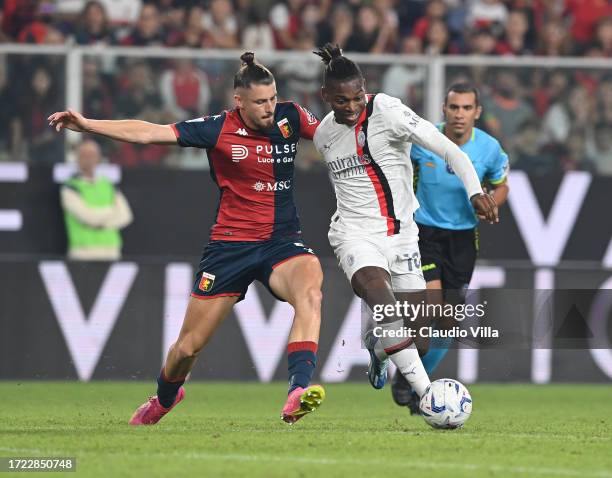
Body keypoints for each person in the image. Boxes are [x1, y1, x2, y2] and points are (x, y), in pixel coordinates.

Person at [48, 52, 325, 426]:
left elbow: (334, 135)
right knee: (187, 348)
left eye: (273, 98)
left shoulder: (292, 117)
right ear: (238, 101)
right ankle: (165, 397)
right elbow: (149, 131)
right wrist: (89, 125)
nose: (269, 108)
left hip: (281, 241)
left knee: (311, 290)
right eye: (260, 101)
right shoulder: (216, 128)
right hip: (230, 247)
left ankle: (297, 390)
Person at [312, 44, 498, 401]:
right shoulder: (323, 136)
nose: (350, 108)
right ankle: (430, 397)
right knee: (379, 294)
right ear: (325, 96)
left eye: (356, 98)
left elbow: (448, 149)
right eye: (340, 101)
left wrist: (474, 190)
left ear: (364, 88)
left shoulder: (388, 111)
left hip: (402, 238)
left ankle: (377, 349)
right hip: (354, 235)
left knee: (420, 338)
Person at [391, 83, 509, 413]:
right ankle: (411, 376)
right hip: (423, 233)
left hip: (462, 238)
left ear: (477, 112)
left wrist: (491, 205)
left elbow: (501, 186)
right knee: (431, 308)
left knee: (448, 323)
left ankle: (415, 385)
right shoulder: (424, 139)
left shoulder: (489, 148)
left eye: (466, 108)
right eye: (454, 107)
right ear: (444, 109)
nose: (460, 114)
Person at [61, 139, 133, 261]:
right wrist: (111, 212)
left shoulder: (108, 184)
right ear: (78, 158)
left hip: (111, 251)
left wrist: (97, 217)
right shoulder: (70, 187)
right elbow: (88, 218)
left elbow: (125, 216)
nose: (89, 159)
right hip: (83, 252)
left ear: (99, 158)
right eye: (84, 155)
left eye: (92, 155)